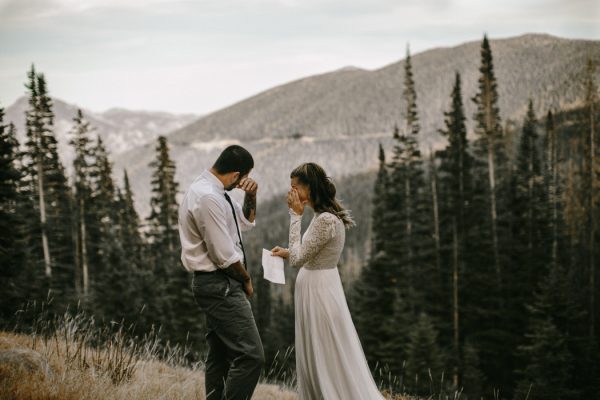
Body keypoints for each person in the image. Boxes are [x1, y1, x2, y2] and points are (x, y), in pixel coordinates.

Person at [271, 162, 385, 400]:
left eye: (294, 188)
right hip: (317, 285)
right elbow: (306, 252)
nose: (290, 194)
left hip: (319, 289)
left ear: (309, 189)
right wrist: (286, 251)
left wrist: (294, 216)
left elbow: (299, 259)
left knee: (324, 346)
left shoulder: (325, 220)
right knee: (315, 346)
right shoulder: (322, 216)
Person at [178, 145, 264, 400]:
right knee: (251, 355)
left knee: (221, 356)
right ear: (236, 175)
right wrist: (247, 280)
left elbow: (245, 223)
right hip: (219, 284)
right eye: (243, 178)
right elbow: (224, 256)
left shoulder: (215, 192)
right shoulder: (208, 197)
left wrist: (252, 196)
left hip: (218, 284)